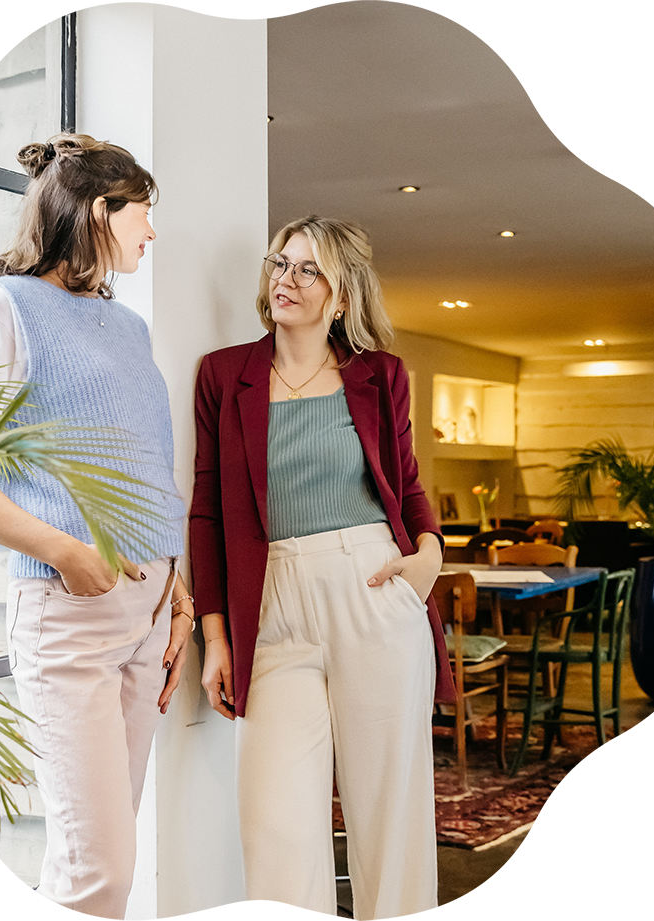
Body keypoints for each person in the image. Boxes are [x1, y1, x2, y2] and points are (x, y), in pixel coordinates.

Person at [0, 134, 194, 920]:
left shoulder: (128, 326)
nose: (152, 231)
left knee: (104, 864)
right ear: (100, 210)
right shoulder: (6, 308)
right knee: (96, 869)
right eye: (145, 212)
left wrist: (177, 597)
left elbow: (148, 468)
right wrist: (64, 552)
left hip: (149, 617)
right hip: (68, 613)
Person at [189, 216, 456, 921]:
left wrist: (429, 555)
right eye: (280, 263)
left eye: (308, 270)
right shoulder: (224, 375)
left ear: (341, 296)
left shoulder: (378, 375)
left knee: (387, 809)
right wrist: (215, 636)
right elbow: (207, 512)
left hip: (370, 587)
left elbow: (406, 485)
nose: (286, 279)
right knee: (275, 819)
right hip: (271, 602)